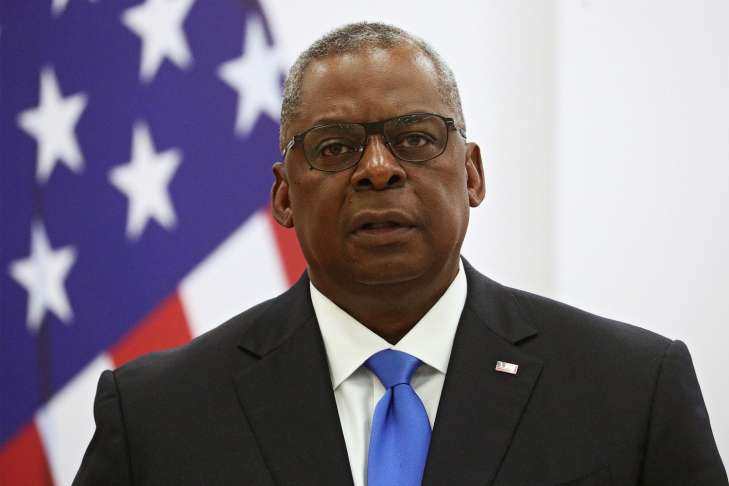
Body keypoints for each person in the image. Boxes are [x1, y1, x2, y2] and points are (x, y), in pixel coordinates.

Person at [73, 22, 727, 485]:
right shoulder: (158, 413)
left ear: (471, 174)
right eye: (334, 147)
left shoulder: (631, 389)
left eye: (415, 138)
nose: (377, 169)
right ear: (283, 196)